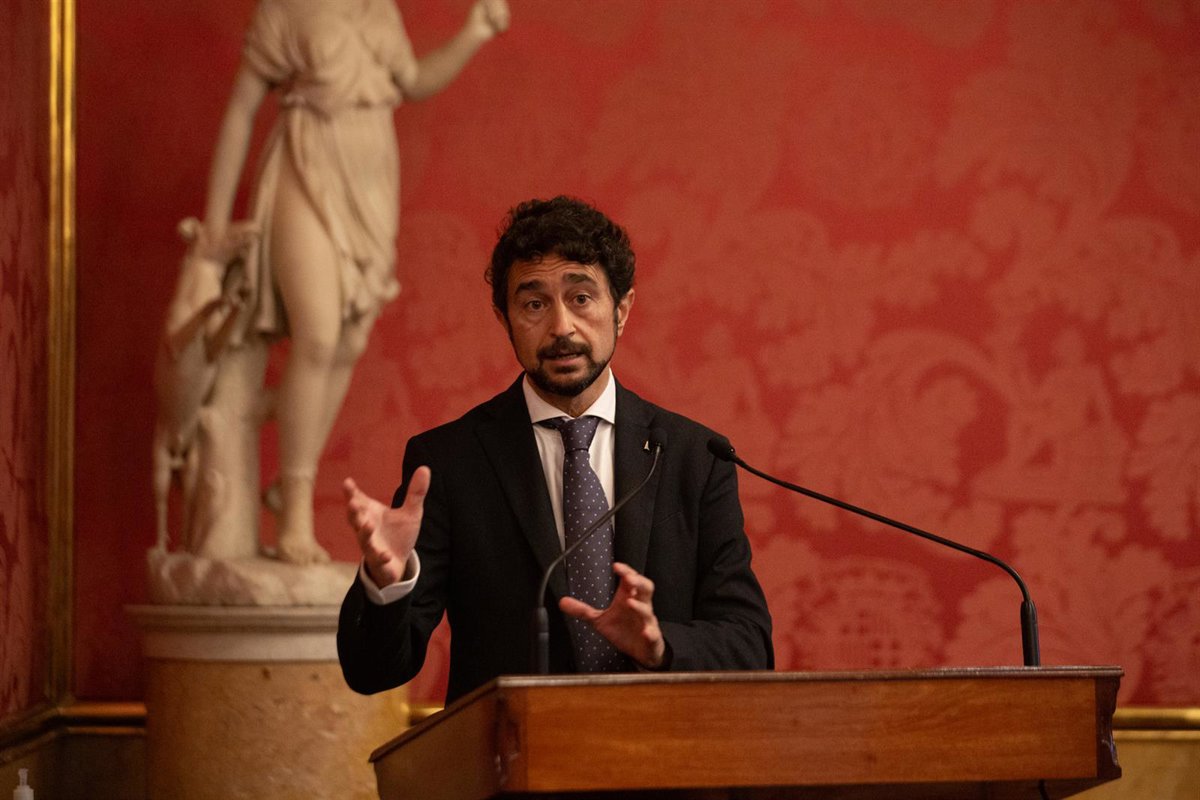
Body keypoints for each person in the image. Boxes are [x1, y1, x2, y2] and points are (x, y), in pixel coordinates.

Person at [337, 197, 773, 704]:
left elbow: (750, 645)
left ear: (622, 310)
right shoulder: (450, 463)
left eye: (581, 298)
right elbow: (372, 671)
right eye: (534, 304)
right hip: (514, 748)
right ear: (504, 319)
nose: (562, 327)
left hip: (663, 747)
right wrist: (386, 583)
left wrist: (659, 646)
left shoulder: (695, 457)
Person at [199, 0, 511, 564]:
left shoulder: (379, 9)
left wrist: (473, 33)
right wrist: (215, 227)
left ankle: (281, 471)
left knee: (346, 341)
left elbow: (413, 81)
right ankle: (295, 513)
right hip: (306, 167)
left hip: (371, 183)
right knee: (317, 335)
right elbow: (240, 111)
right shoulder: (284, 10)